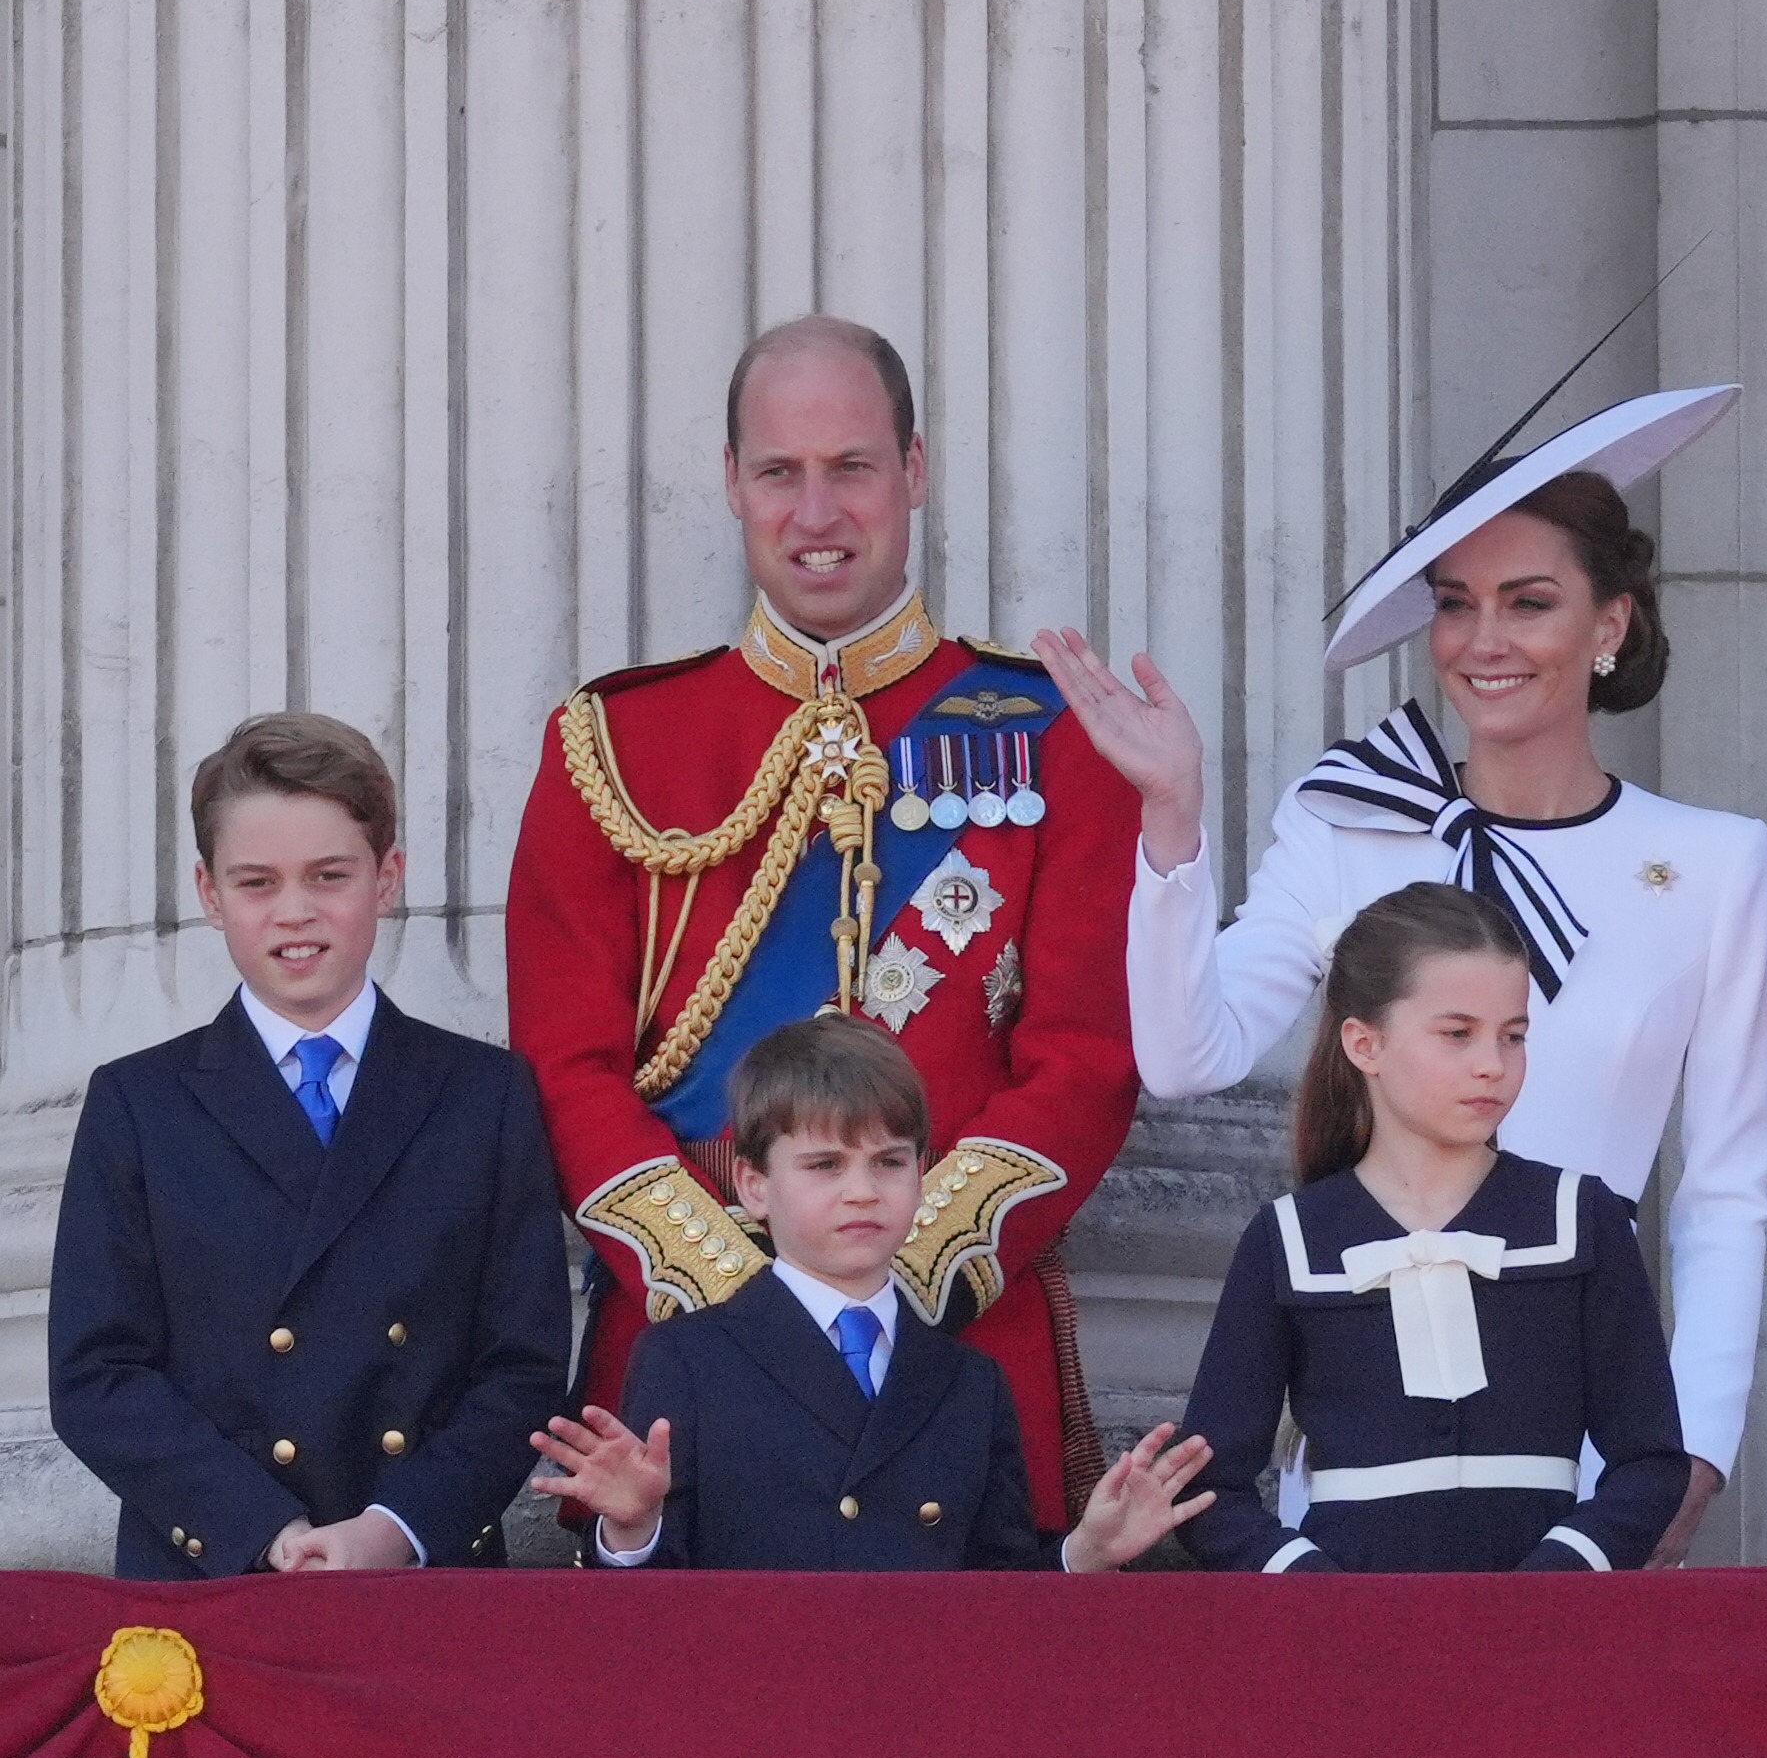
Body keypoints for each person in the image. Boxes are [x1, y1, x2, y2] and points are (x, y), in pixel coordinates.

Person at [1039, 383, 1767, 1566]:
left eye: (1529, 603)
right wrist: (1173, 823)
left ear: (1609, 626)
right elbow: (1187, 1055)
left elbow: (1727, 1189)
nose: (1484, 642)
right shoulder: (1348, 823)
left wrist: (1691, 1456)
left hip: (1595, 1453)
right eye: (1456, 605)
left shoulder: (1715, 862)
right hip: (1366, 1451)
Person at [505, 316, 1143, 1537]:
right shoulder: (613, 746)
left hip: (954, 1346)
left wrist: (899, 1271)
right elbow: (562, 1064)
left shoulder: (1057, 735)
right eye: (781, 473)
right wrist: (737, 1287)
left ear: (915, 469)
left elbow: (1087, 1059)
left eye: (850, 467)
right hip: (687, 1333)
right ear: (733, 482)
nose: (816, 512)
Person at [49, 714, 567, 1576]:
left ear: (387, 877)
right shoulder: (137, 1104)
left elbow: (524, 1363)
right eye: (257, 882)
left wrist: (397, 1528)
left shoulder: (485, 1095)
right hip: (218, 1574)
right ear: (210, 893)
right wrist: (260, 1530)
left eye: (330, 876)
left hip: (426, 1575)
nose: (295, 912)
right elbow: (97, 1373)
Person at [529, 1018, 1213, 1570]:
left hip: (921, 1721)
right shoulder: (686, 1359)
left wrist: (1083, 1553)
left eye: (888, 1162)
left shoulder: (968, 1383)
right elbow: (646, 1615)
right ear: (754, 1186)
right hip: (745, 1713)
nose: (862, 1190)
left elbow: (1000, 1595)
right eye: (825, 1165)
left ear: (922, 1173)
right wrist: (632, 1528)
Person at [1172, 886, 1691, 1573]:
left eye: (1514, 1035)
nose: (1492, 1064)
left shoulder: (1580, 1218)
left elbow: (1651, 1460)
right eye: (1457, 1034)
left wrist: (1558, 1579)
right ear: (1364, 1043)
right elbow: (1210, 1484)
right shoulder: (1289, 1239)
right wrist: (1316, 1591)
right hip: (1354, 1645)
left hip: (1546, 1642)